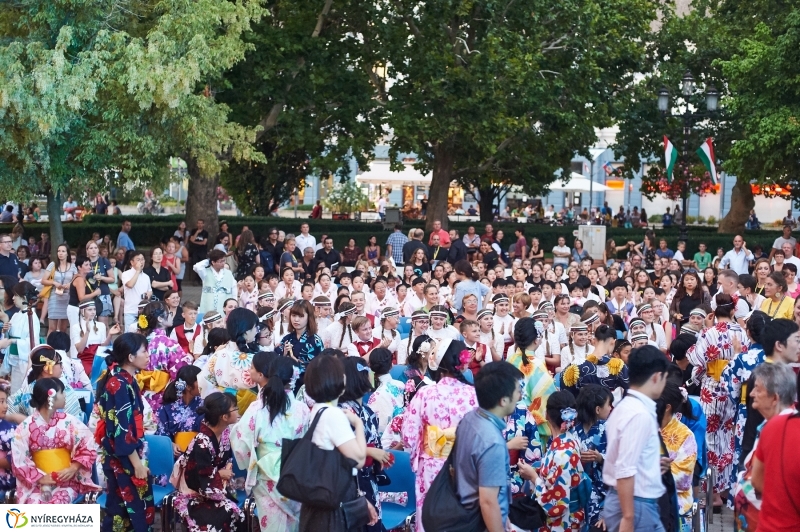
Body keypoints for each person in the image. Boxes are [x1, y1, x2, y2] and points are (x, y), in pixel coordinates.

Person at [402, 338, 478, 532]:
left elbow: (408, 436)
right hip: (465, 465)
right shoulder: (474, 394)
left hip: (432, 465)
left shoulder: (425, 394)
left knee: (430, 515)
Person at [299, 355, 377, 531]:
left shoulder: (318, 410)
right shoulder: (333, 415)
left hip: (321, 498)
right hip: (335, 504)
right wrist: (358, 424)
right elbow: (358, 460)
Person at [232, 356, 309, 532]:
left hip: (266, 471)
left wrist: (249, 462)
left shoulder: (257, 409)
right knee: (295, 525)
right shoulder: (302, 409)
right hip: (294, 471)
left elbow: (241, 442)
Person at [602, 345, 669, 532]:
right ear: (656, 377)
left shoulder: (626, 407)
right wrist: (628, 517)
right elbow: (624, 469)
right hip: (635, 505)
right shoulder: (638, 414)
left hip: (635, 503)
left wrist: (651, 464)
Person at [453, 361, 523, 532]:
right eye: (517, 391)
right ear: (503, 400)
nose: (520, 396)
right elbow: (488, 502)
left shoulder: (469, 419)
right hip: (480, 523)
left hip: (464, 514)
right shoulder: (492, 442)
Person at [97, 333, 155, 531]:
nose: (148, 355)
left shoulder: (127, 381)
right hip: (122, 457)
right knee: (121, 513)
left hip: (130, 452)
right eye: (144, 351)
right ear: (130, 357)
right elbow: (123, 429)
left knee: (131, 512)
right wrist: (137, 464)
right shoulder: (118, 385)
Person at [11, 377, 99, 503]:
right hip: (36, 483)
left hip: (66, 481)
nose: (65, 395)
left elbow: (88, 443)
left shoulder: (69, 421)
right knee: (33, 506)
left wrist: (74, 467)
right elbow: (19, 460)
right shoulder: (24, 427)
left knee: (58, 503)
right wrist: (41, 478)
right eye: (62, 392)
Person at [734, 362, 797, 532]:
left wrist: (744, 484)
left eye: (758, 389)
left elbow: (758, 482)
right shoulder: (770, 425)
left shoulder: (778, 428)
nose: (751, 394)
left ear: (775, 398)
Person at [171, 392, 245, 532]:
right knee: (227, 514)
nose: (237, 411)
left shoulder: (224, 433)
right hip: (194, 494)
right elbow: (198, 478)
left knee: (235, 513)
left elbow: (226, 459)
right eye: (234, 408)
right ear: (224, 417)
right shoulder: (202, 443)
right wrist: (220, 474)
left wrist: (227, 467)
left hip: (214, 489)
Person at [523, 390, 588, 532]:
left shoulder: (561, 454)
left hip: (562, 523)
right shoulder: (572, 439)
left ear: (546, 414)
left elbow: (556, 506)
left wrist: (534, 478)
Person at [657, 380, 698, 532]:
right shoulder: (645, 427)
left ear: (667, 407)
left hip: (675, 500)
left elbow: (683, 478)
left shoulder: (686, 435)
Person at [507, 318, 557, 438]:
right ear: (536, 339)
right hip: (532, 426)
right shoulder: (536, 364)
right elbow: (547, 397)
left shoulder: (510, 360)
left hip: (510, 420)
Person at [156, 365, 204, 454]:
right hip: (175, 453)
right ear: (188, 387)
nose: (203, 384)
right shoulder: (166, 408)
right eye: (200, 381)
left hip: (199, 452)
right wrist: (171, 444)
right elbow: (161, 433)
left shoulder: (205, 405)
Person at [194, 249, 237, 315]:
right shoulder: (205, 272)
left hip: (224, 304)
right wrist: (209, 260)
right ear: (213, 262)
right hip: (208, 306)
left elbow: (234, 288)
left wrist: (234, 301)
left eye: (224, 260)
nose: (223, 263)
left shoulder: (228, 273)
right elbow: (197, 266)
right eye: (221, 261)